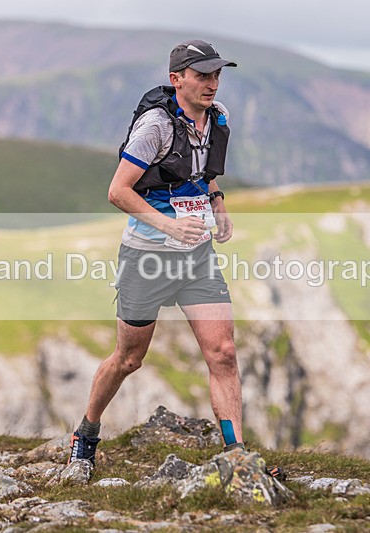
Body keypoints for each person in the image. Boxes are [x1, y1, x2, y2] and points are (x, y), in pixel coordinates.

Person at [68, 39, 245, 466]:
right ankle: (86, 433)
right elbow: (117, 191)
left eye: (217, 74)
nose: (212, 83)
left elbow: (203, 173)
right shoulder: (156, 127)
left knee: (223, 353)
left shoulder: (217, 120)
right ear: (176, 79)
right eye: (202, 75)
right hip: (146, 255)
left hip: (196, 256)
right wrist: (169, 224)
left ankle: (236, 455)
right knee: (129, 359)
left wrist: (217, 203)